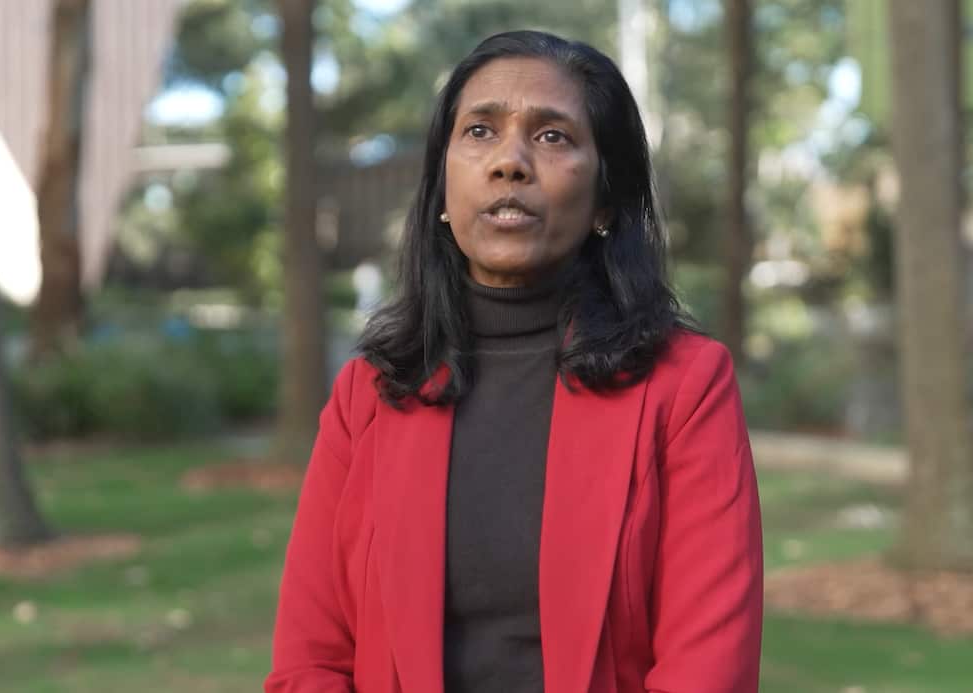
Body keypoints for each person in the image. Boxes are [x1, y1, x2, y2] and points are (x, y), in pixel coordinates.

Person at [265, 30, 763, 693]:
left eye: (553, 136)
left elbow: (708, 670)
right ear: (443, 185)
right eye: (479, 131)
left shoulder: (684, 386)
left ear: (606, 202)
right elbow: (309, 660)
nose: (510, 162)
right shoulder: (369, 394)